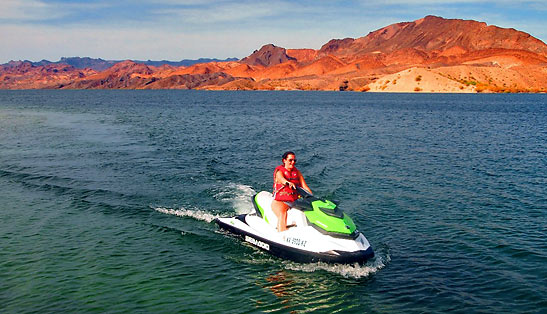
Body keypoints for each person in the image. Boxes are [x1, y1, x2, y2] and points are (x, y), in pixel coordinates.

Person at [271, 151, 312, 232]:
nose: (293, 162)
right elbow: (281, 179)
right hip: (280, 202)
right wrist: (288, 182)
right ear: (284, 160)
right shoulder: (279, 172)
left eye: (294, 160)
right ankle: (281, 234)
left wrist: (312, 198)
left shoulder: (297, 172)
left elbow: (305, 186)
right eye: (290, 160)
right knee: (283, 214)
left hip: (293, 201)